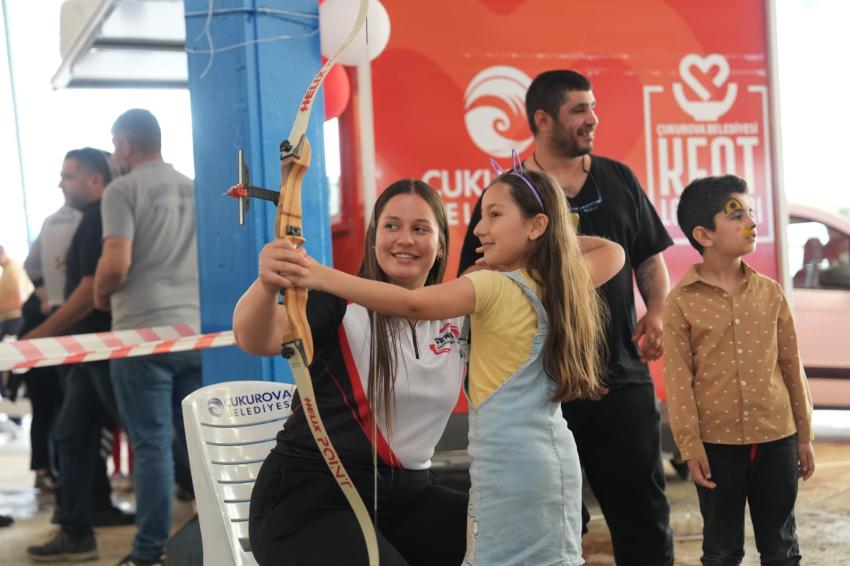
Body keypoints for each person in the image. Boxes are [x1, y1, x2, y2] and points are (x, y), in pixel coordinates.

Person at [270, 165, 625, 565]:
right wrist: (546, 241)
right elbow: (613, 253)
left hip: (506, 470)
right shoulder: (552, 283)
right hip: (554, 461)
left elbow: (411, 304)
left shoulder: (488, 287)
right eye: (391, 226)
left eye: (495, 215)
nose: (480, 229)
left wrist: (318, 274)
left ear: (536, 225)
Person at [458, 69, 675, 565]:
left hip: (620, 378)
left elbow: (648, 257)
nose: (592, 118)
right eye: (579, 109)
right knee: (556, 519)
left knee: (643, 517)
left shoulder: (619, 179)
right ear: (543, 119)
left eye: (592, 107)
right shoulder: (509, 195)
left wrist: (658, 311)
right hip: (543, 387)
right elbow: (475, 275)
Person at [235, 180, 468, 566]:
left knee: (523, 532)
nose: (404, 239)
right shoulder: (337, 306)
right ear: (374, 238)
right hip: (309, 502)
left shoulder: (458, 315)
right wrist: (265, 285)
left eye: (420, 228)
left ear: (441, 244)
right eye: (391, 226)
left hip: (404, 502)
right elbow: (256, 338)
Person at [664, 175, 815, 565]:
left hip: (777, 438)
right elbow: (679, 382)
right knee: (721, 551)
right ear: (704, 234)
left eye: (751, 212)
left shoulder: (771, 293)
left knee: (782, 548)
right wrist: (690, 447)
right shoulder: (681, 302)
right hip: (716, 447)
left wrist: (804, 435)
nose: (751, 222)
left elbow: (791, 364)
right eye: (736, 215)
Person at [95, 109, 201, 566]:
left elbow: (116, 262)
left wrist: (100, 293)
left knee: (152, 444)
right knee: (199, 440)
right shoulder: (195, 187)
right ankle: (224, 534)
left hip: (141, 334)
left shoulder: (121, 190)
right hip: (195, 332)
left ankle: (149, 550)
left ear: (124, 145)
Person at [26, 148, 129, 563]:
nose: (61, 184)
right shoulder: (89, 219)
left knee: (148, 437)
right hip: (87, 351)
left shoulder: (99, 218)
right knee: (71, 434)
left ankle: (213, 513)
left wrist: (39, 335)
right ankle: (75, 531)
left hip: (104, 349)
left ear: (95, 180)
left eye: (68, 176)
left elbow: (88, 293)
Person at [0, 245, 31, 340]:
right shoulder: (7, 269)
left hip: (14, 318)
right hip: (9, 318)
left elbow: (19, 298)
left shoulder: (12, 270)